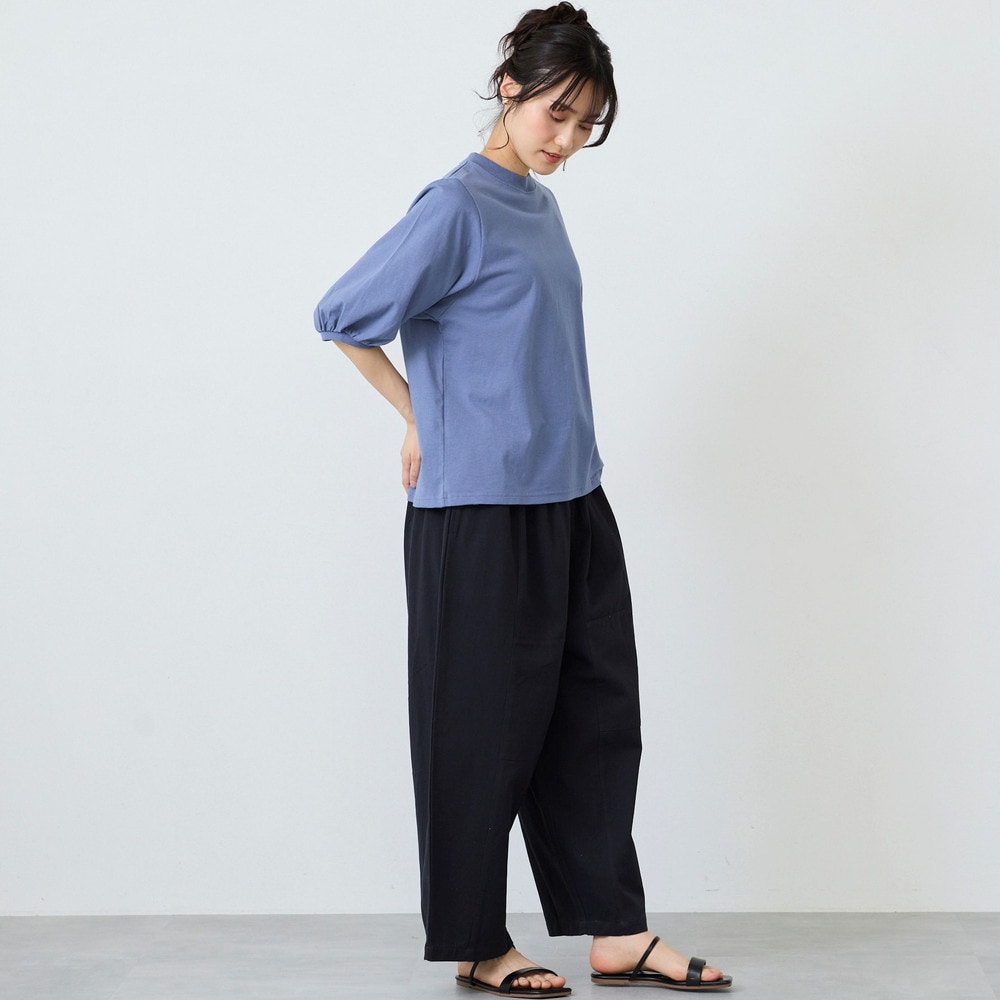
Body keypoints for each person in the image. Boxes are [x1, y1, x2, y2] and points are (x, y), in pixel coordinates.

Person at [314, 4, 733, 996]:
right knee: (477, 732)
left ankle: (615, 930)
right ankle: (475, 942)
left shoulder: (539, 205)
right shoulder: (455, 206)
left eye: (586, 124)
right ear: (510, 88)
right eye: (558, 112)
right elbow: (343, 315)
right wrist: (419, 415)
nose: (568, 138)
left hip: (571, 495)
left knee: (596, 719)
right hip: (478, 513)